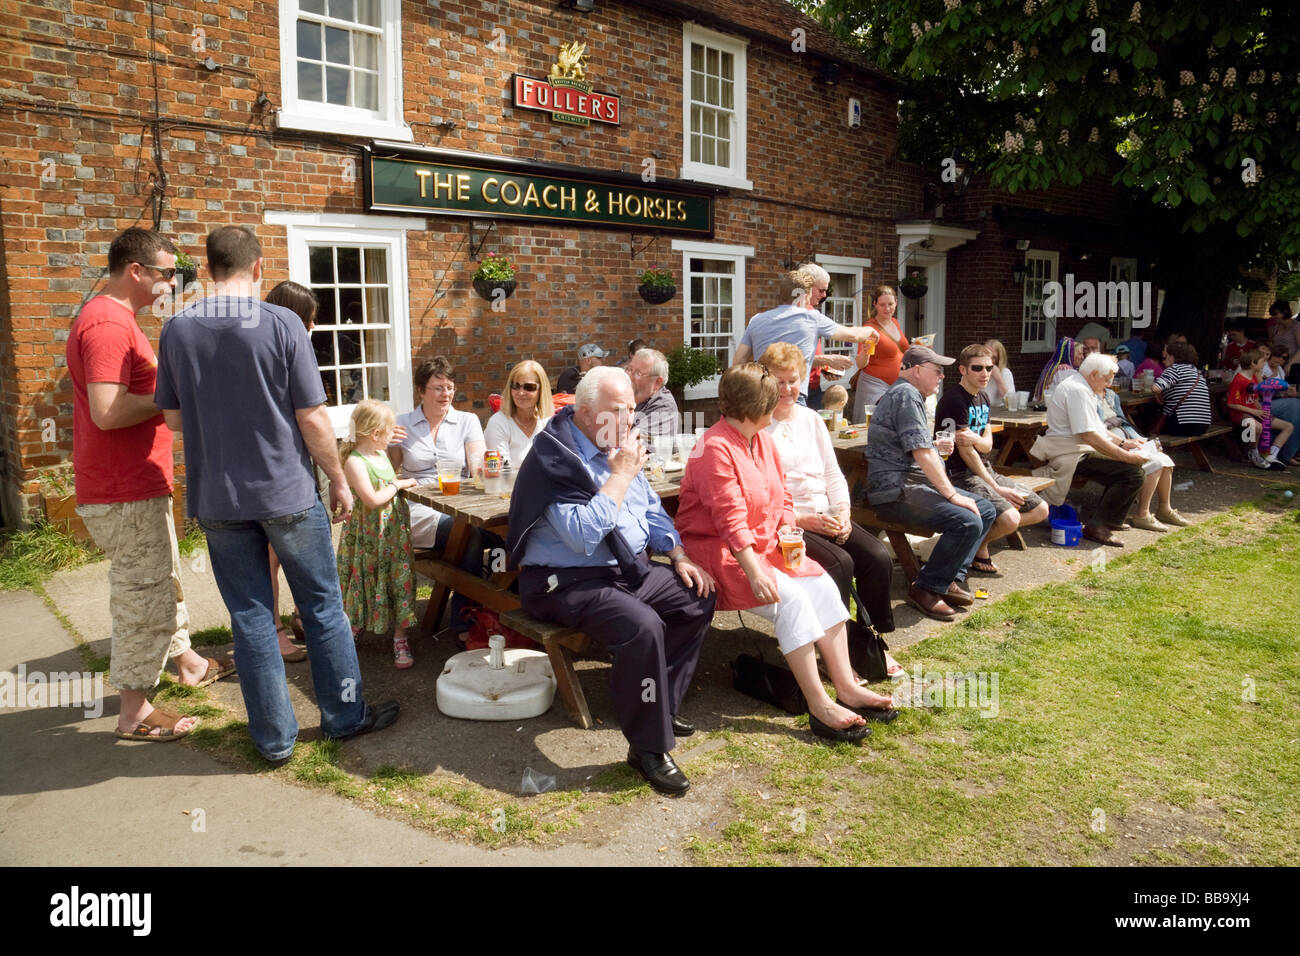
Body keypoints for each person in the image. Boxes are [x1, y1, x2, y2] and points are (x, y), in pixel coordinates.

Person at [155, 225, 397, 763]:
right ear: (258, 266)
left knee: (250, 615)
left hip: (217, 499)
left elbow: (172, 419)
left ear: (209, 267)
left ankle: (272, 739)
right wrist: (338, 478)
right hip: (286, 494)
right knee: (322, 605)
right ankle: (344, 717)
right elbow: (311, 416)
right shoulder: (281, 322)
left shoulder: (175, 329)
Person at [507, 366, 716, 796]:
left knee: (696, 597)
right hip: (564, 579)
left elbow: (651, 508)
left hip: (623, 568)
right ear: (585, 412)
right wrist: (619, 475)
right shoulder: (554, 457)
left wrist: (677, 554)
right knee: (643, 626)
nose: (629, 421)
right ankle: (648, 748)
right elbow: (582, 537)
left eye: (632, 410)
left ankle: (660, 705)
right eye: (618, 411)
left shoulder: (618, 444)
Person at [67, 227, 236, 742]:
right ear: (135, 271)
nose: (172, 282)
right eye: (166, 273)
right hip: (124, 488)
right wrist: (173, 394)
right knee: (144, 598)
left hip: (136, 483)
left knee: (161, 580)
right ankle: (133, 712)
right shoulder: (108, 325)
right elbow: (107, 411)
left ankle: (187, 663)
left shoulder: (118, 319)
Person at [676, 363, 896, 743]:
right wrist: (757, 572)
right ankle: (819, 704)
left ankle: (846, 685)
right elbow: (730, 522)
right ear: (753, 406)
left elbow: (783, 497)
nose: (781, 402)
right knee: (791, 599)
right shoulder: (714, 448)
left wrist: (789, 529)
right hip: (721, 554)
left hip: (764, 545)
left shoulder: (761, 439)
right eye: (772, 398)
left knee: (824, 584)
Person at [758, 344, 901, 658]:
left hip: (829, 514)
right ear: (766, 382)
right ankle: (835, 649)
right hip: (791, 525)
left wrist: (844, 512)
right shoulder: (758, 427)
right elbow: (766, 498)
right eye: (779, 381)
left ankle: (872, 640)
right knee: (840, 563)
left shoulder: (811, 419)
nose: (787, 388)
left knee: (877, 557)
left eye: (793, 380)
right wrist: (803, 519)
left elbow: (833, 474)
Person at [865, 346, 997, 621]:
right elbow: (921, 454)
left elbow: (914, 445)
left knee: (985, 509)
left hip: (909, 483)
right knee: (968, 519)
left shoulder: (907, 394)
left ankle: (946, 578)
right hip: (894, 491)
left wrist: (934, 445)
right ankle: (924, 589)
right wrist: (952, 495)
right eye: (936, 371)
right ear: (917, 370)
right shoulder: (906, 394)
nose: (940, 377)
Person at [392, 356, 487, 638]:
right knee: (469, 535)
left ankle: (484, 611)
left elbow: (478, 464)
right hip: (418, 506)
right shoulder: (403, 424)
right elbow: (388, 471)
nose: (445, 394)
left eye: (449, 387)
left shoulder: (467, 421)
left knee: (492, 535)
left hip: (458, 502)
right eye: (437, 388)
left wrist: (484, 469)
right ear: (421, 390)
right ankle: (467, 622)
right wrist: (382, 441)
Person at [935, 344, 1049, 575]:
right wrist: (996, 487)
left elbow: (987, 443)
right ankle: (978, 545)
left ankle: (980, 542)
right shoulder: (954, 401)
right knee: (1009, 518)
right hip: (959, 474)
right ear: (963, 370)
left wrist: (977, 440)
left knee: (1041, 510)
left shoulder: (983, 396)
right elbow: (967, 453)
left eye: (989, 368)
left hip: (984, 469)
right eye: (977, 368)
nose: (984, 373)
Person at [1029, 352, 1147, 547]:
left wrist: (1123, 444)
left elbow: (1096, 427)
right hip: (1070, 454)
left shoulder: (1082, 387)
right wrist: (1124, 456)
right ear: (1093, 374)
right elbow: (1089, 435)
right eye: (1107, 379)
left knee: (1130, 471)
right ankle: (1098, 526)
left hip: (1078, 450)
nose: (1109, 384)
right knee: (1132, 474)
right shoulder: (1078, 390)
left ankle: (1107, 521)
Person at [263, 280, 321, 662]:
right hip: (276, 471)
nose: (314, 328)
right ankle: (276, 633)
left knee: (296, 553)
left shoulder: (290, 349)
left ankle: (300, 617)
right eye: (310, 320)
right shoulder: (275, 352)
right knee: (272, 556)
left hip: (297, 463)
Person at [338, 400, 419, 667]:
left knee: (398, 580)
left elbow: (385, 483)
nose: (392, 435)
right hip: (369, 538)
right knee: (364, 579)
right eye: (388, 430)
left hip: (392, 536)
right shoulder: (355, 461)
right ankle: (355, 625)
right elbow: (372, 500)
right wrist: (398, 483)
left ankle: (400, 636)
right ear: (375, 434)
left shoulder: (380, 454)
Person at [732, 264, 878, 402]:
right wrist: (871, 330)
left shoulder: (756, 320)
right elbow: (854, 336)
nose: (822, 296)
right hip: (793, 395)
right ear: (803, 295)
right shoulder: (811, 317)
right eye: (814, 293)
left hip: (764, 395)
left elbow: (738, 362)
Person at [1098, 388, 1188, 531]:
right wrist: (1124, 443)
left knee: (1164, 458)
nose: (1111, 379)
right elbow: (1097, 430)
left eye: (1113, 374)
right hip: (1109, 444)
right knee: (1156, 462)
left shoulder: (1111, 395)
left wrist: (1140, 440)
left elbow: (1123, 422)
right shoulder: (1087, 394)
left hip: (1125, 438)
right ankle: (1142, 515)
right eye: (1108, 375)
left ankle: (1165, 509)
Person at [1227, 349, 1295, 468]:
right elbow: (1232, 404)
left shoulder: (1253, 377)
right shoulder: (1239, 379)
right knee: (1257, 427)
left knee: (1288, 427)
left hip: (1254, 412)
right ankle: (1253, 453)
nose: (1264, 364)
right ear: (1253, 363)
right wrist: (1255, 411)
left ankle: (1272, 455)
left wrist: (1263, 412)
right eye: (1263, 361)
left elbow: (1253, 399)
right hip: (1240, 414)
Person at [852, 284, 909, 421]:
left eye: (890, 304)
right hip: (874, 388)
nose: (887, 308)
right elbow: (860, 363)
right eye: (882, 304)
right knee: (873, 427)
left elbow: (901, 351)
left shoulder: (895, 322)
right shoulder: (869, 328)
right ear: (875, 304)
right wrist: (865, 352)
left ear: (896, 302)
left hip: (897, 385)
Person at [483, 359, 554, 467]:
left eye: (529, 387)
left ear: (541, 390)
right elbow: (500, 470)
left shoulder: (548, 423)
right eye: (515, 386)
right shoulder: (498, 422)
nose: (521, 393)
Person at [1151, 340, 1212, 437]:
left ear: (1172, 356)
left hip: (1182, 424)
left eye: (1168, 354)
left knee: (1148, 418)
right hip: (1203, 426)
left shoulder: (1175, 369)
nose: (1166, 357)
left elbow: (1156, 387)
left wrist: (1157, 394)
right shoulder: (1196, 372)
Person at [627, 347, 680, 438]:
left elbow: (633, 443)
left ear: (657, 383)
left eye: (639, 373)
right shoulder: (625, 398)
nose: (629, 376)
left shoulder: (664, 406)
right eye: (630, 369)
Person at [1031, 336, 1081, 403]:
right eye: (1080, 354)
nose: (1082, 357)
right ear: (1071, 355)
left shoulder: (1050, 369)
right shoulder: (1066, 371)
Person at [983, 338, 1016, 408]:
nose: (989, 359)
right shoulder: (976, 370)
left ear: (999, 359)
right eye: (986, 355)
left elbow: (1011, 401)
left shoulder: (1005, 372)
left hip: (997, 412)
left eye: (993, 357)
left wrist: (998, 378)